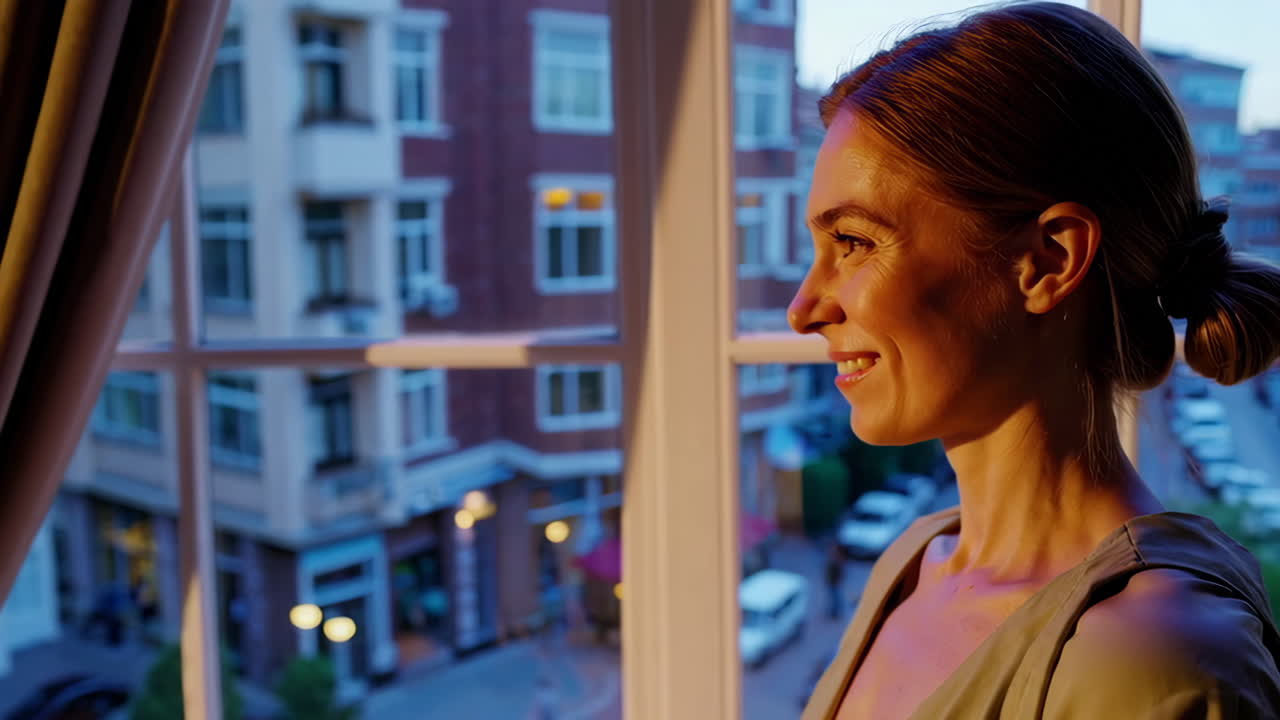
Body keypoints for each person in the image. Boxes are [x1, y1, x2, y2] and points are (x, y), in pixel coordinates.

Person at [791, 4, 1280, 719]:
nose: (804, 308)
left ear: (1048, 260)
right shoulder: (916, 559)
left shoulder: (1144, 664)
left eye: (856, 243)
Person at [823, 541, 845, 620]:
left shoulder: (837, 560)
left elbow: (838, 572)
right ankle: (835, 612)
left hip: (834, 582)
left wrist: (836, 580)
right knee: (834, 597)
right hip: (832, 582)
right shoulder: (834, 559)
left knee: (836, 597)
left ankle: (836, 613)